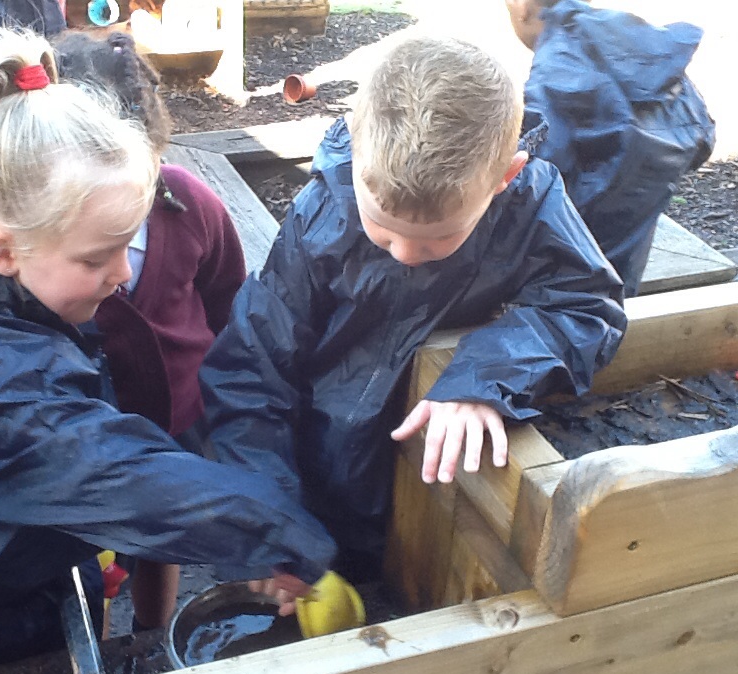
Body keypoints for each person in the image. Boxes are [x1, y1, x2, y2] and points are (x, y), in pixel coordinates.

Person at [0, 27, 334, 674]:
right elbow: (121, 476)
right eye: (98, 257)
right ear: (2, 251)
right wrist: (280, 531)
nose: (123, 274)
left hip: (33, 573)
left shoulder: (3, 287)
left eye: (128, 245)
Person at [199, 36, 627, 581]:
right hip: (318, 466)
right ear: (354, 142)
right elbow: (251, 370)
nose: (404, 253)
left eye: (436, 240)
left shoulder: (532, 204)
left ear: (506, 177)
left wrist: (487, 378)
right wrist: (270, 523)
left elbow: (587, 306)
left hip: (423, 486)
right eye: (382, 228)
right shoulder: (322, 212)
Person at [52, 30, 248, 633]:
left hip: (175, 417)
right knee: (82, 542)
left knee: (163, 536)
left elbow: (225, 295)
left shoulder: (187, 204)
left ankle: (151, 637)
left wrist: (218, 394)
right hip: (82, 421)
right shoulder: (46, 235)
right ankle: (94, 635)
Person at [504, 0, 716, 297]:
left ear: (521, 5)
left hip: (567, 282)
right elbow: (702, 138)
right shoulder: (643, 43)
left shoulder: (554, 72)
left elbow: (533, 189)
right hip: (627, 263)